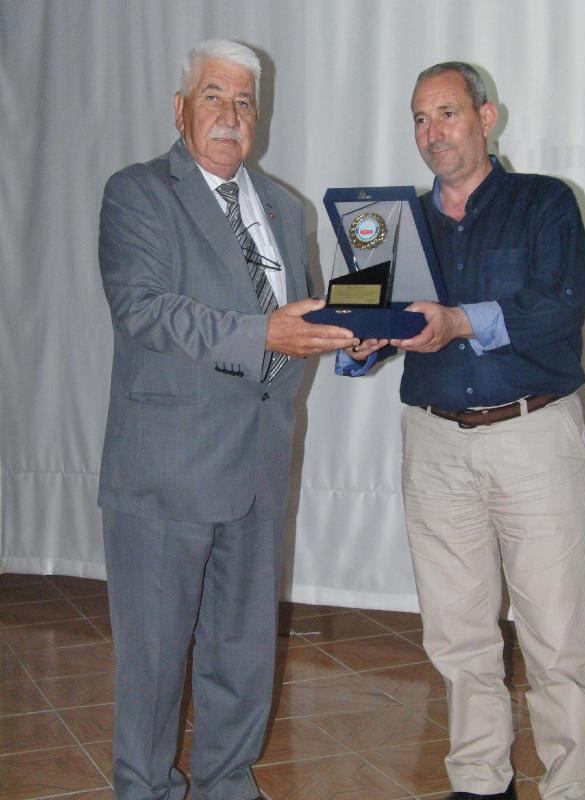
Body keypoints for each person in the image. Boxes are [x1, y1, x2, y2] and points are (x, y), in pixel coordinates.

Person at [98, 38, 357, 800]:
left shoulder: (284, 207)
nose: (230, 114)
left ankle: (226, 783)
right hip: (166, 473)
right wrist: (265, 334)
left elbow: (298, 319)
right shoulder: (138, 193)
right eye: (214, 95)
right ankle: (144, 789)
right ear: (180, 109)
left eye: (245, 101)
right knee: (153, 662)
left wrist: (354, 332)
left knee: (241, 655)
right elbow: (145, 311)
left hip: (257, 466)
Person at [338, 62, 585, 800]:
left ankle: (576, 784)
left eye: (447, 113)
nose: (433, 133)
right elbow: (372, 325)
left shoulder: (546, 202)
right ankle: (481, 779)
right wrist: (361, 343)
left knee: (556, 635)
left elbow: (560, 305)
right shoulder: (391, 224)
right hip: (434, 444)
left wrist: (459, 321)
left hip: (533, 435)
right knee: (457, 632)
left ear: (487, 118)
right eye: (420, 119)